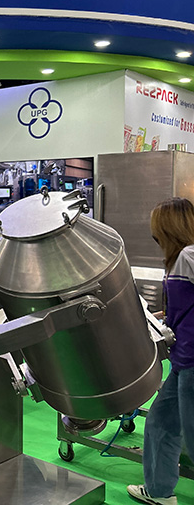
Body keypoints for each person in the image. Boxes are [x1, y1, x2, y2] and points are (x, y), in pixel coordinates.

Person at [127, 197, 194, 505]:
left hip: (192, 362)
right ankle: (159, 491)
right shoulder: (179, 261)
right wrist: (164, 318)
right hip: (182, 362)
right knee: (161, 423)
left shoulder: (189, 256)